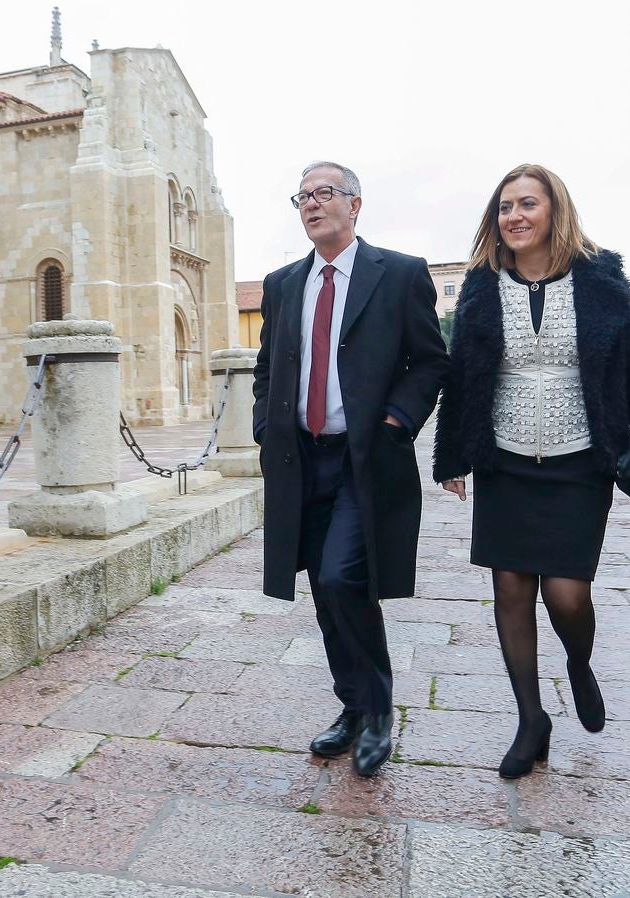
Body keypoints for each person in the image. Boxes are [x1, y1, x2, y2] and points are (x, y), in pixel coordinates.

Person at [432, 163, 630, 779]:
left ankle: (578, 661)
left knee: (568, 594)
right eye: (504, 207)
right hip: (505, 456)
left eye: (527, 204)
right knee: (510, 590)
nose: (514, 217)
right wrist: (450, 454)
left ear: (554, 211)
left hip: (579, 457)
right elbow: (463, 370)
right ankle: (531, 719)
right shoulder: (482, 283)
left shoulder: (602, 277)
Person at [252, 161, 447, 777]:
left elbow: (429, 363)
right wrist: (266, 425)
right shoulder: (283, 284)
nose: (312, 205)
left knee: (342, 578)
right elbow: (266, 369)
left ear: (355, 205)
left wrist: (395, 421)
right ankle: (352, 708)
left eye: (324, 193)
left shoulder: (400, 274)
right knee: (321, 586)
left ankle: (379, 712)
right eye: (302, 197)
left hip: (364, 459)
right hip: (300, 460)